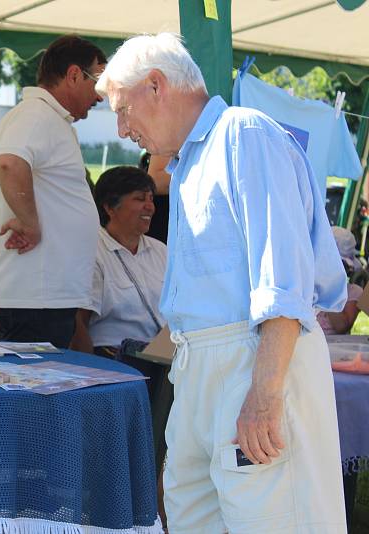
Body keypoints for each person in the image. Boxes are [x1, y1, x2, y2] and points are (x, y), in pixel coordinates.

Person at [97, 33, 348, 533]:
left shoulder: (244, 134)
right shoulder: (191, 162)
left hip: (254, 360)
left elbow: (283, 277)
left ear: (155, 85)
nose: (124, 130)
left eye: (124, 110)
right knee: (193, 517)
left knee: (273, 519)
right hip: (200, 367)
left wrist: (265, 391)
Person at [0, 34, 106, 349]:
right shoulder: (37, 114)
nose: (101, 95)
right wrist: (29, 223)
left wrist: (14, 220)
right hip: (35, 297)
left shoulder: (40, 117)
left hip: (41, 295)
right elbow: (8, 164)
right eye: (99, 81)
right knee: (29, 394)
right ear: (74, 75)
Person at [70, 166, 166, 357]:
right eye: (140, 199)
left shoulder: (161, 251)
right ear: (110, 207)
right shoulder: (91, 250)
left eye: (151, 199)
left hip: (161, 356)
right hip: (112, 357)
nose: (150, 206)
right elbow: (78, 321)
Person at [317, 226, 363, 334]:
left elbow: (342, 326)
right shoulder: (308, 285)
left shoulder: (353, 292)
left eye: (345, 266)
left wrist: (327, 288)